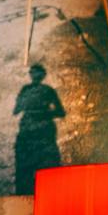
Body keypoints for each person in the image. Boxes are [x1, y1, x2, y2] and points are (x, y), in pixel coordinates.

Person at [13, 62, 66, 193]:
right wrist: (46, 113)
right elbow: (61, 112)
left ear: (31, 76)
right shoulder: (49, 91)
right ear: (43, 76)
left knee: (26, 166)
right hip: (45, 129)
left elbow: (16, 111)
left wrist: (29, 107)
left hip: (27, 129)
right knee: (46, 166)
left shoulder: (25, 90)